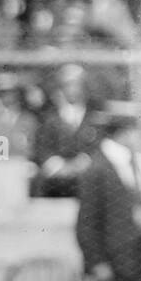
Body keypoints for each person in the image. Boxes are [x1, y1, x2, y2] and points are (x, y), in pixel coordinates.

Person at [74, 100, 141, 281]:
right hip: (113, 261)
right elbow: (86, 223)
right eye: (134, 130)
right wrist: (98, 263)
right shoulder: (97, 168)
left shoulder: (130, 161)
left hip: (139, 255)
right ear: (122, 132)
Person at [33, 64, 97, 197]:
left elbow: (99, 145)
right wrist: (59, 165)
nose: (72, 90)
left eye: (77, 85)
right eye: (68, 85)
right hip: (55, 182)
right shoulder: (49, 118)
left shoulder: (94, 117)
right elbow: (41, 148)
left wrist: (84, 161)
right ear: (61, 88)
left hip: (87, 181)